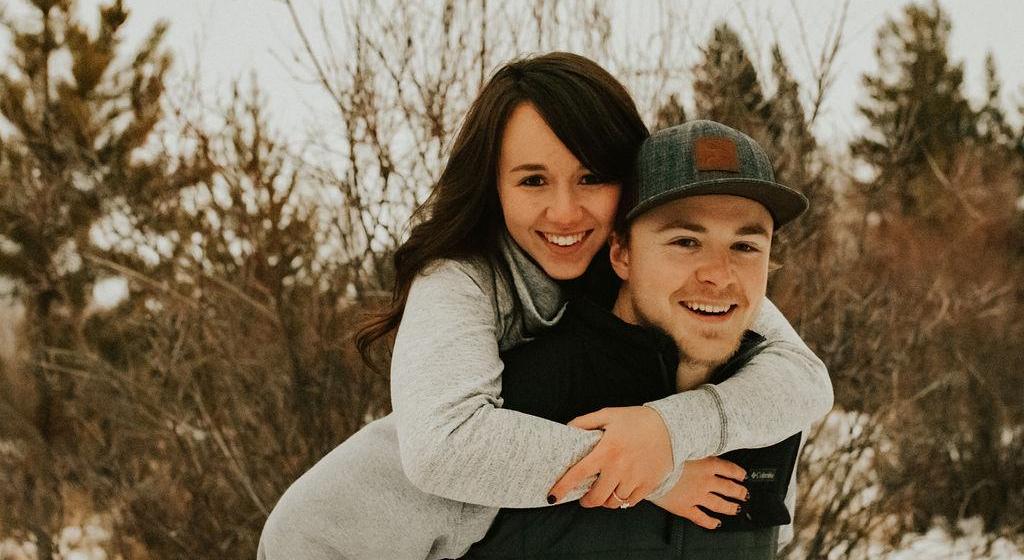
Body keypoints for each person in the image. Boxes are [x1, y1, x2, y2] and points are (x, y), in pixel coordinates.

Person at [258, 53, 832, 560]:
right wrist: (653, 470)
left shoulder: (679, 282)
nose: (565, 212)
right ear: (495, 187)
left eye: (591, 177)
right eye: (533, 180)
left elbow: (801, 376)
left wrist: (667, 430)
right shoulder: (461, 281)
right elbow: (443, 450)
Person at [464, 120, 813, 559]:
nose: (720, 275)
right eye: (686, 241)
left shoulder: (772, 409)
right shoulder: (512, 397)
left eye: (745, 247)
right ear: (622, 253)